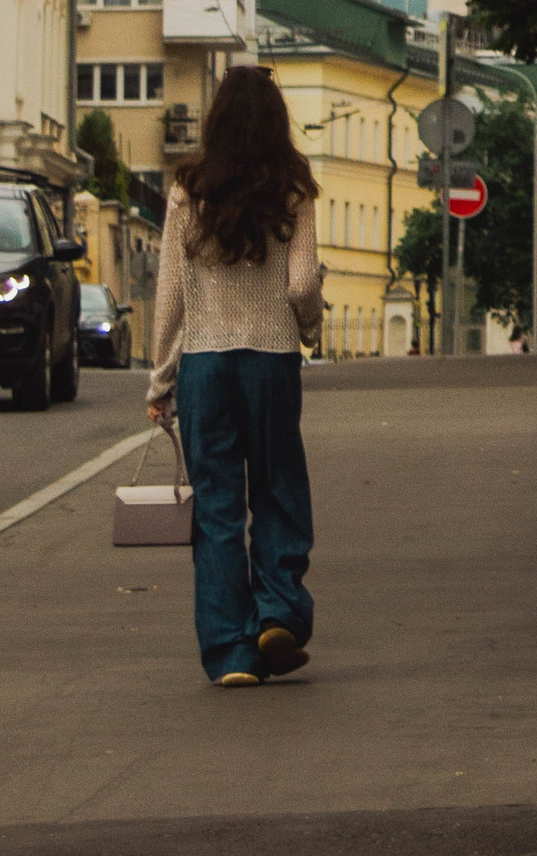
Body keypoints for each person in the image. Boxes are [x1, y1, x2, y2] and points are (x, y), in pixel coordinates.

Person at [145, 66, 326, 687]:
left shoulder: (187, 189)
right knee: (277, 489)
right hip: (270, 364)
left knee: (217, 511)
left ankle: (230, 653)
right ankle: (277, 613)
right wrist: (307, 327)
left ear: (215, 120)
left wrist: (160, 381)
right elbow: (301, 283)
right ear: (277, 122)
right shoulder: (294, 190)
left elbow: (169, 295)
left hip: (204, 367)